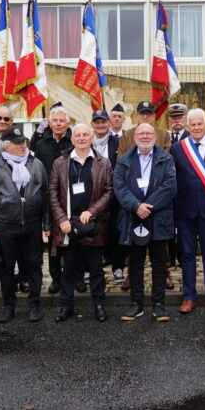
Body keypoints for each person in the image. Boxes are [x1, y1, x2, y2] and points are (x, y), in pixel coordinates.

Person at [0, 127, 48, 323]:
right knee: (6, 268)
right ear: (6, 147)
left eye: (23, 142)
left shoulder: (36, 164)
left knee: (34, 267)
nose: (23, 146)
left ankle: (34, 305)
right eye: (18, 143)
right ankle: (9, 306)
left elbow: (44, 196)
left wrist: (47, 223)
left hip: (32, 224)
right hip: (6, 225)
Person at [49, 123, 113, 322]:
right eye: (78, 135)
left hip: (94, 225)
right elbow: (52, 193)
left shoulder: (103, 162)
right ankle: (66, 306)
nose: (82, 138)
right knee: (68, 269)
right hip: (69, 226)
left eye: (86, 134)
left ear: (92, 137)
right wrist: (61, 220)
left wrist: (92, 211)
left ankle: (99, 305)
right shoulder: (60, 163)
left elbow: (110, 191)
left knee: (95, 268)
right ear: (72, 139)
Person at [114, 123, 177, 322]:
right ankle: (136, 304)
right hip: (134, 218)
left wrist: (147, 206)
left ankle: (159, 305)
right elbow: (119, 187)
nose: (145, 136)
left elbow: (170, 186)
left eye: (149, 133)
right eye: (141, 133)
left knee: (159, 263)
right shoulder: (124, 160)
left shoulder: (166, 159)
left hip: (158, 218)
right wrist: (136, 206)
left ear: (156, 137)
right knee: (136, 263)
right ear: (134, 138)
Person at [170, 108, 205, 315]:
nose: (196, 127)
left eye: (199, 124)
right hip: (185, 212)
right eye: (192, 124)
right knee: (186, 256)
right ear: (187, 126)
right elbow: (173, 180)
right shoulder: (177, 149)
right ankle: (189, 295)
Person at [31, 105, 74, 295]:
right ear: (49, 123)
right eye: (55, 121)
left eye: (61, 121)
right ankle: (56, 278)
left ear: (68, 123)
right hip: (48, 198)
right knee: (54, 241)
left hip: (72, 197)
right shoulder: (41, 144)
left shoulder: (74, 141)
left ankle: (75, 277)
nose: (58, 124)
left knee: (74, 238)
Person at [91, 110, 124, 282]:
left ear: (109, 123)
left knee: (115, 230)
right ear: (92, 125)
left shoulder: (118, 142)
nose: (100, 125)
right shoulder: (87, 143)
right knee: (93, 232)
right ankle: (92, 267)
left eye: (103, 122)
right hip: (92, 196)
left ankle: (118, 266)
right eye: (97, 122)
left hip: (114, 194)